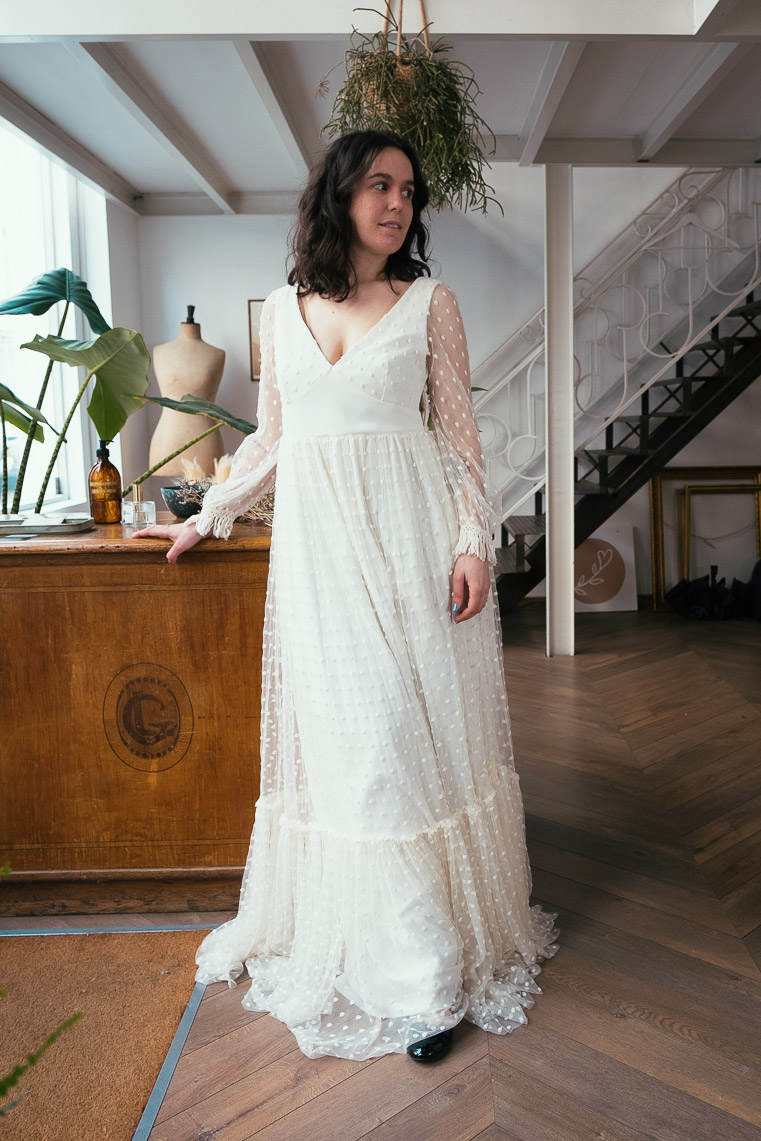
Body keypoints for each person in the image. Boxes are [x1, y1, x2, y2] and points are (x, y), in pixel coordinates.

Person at [133, 130, 559, 1064]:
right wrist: (207, 518)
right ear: (339, 194)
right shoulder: (283, 312)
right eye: (379, 184)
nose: (398, 202)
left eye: (408, 189)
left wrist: (471, 542)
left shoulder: (430, 303)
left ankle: (424, 981)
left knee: (396, 744)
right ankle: (387, 952)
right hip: (318, 563)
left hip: (408, 547)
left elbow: (460, 443)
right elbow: (271, 440)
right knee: (353, 754)